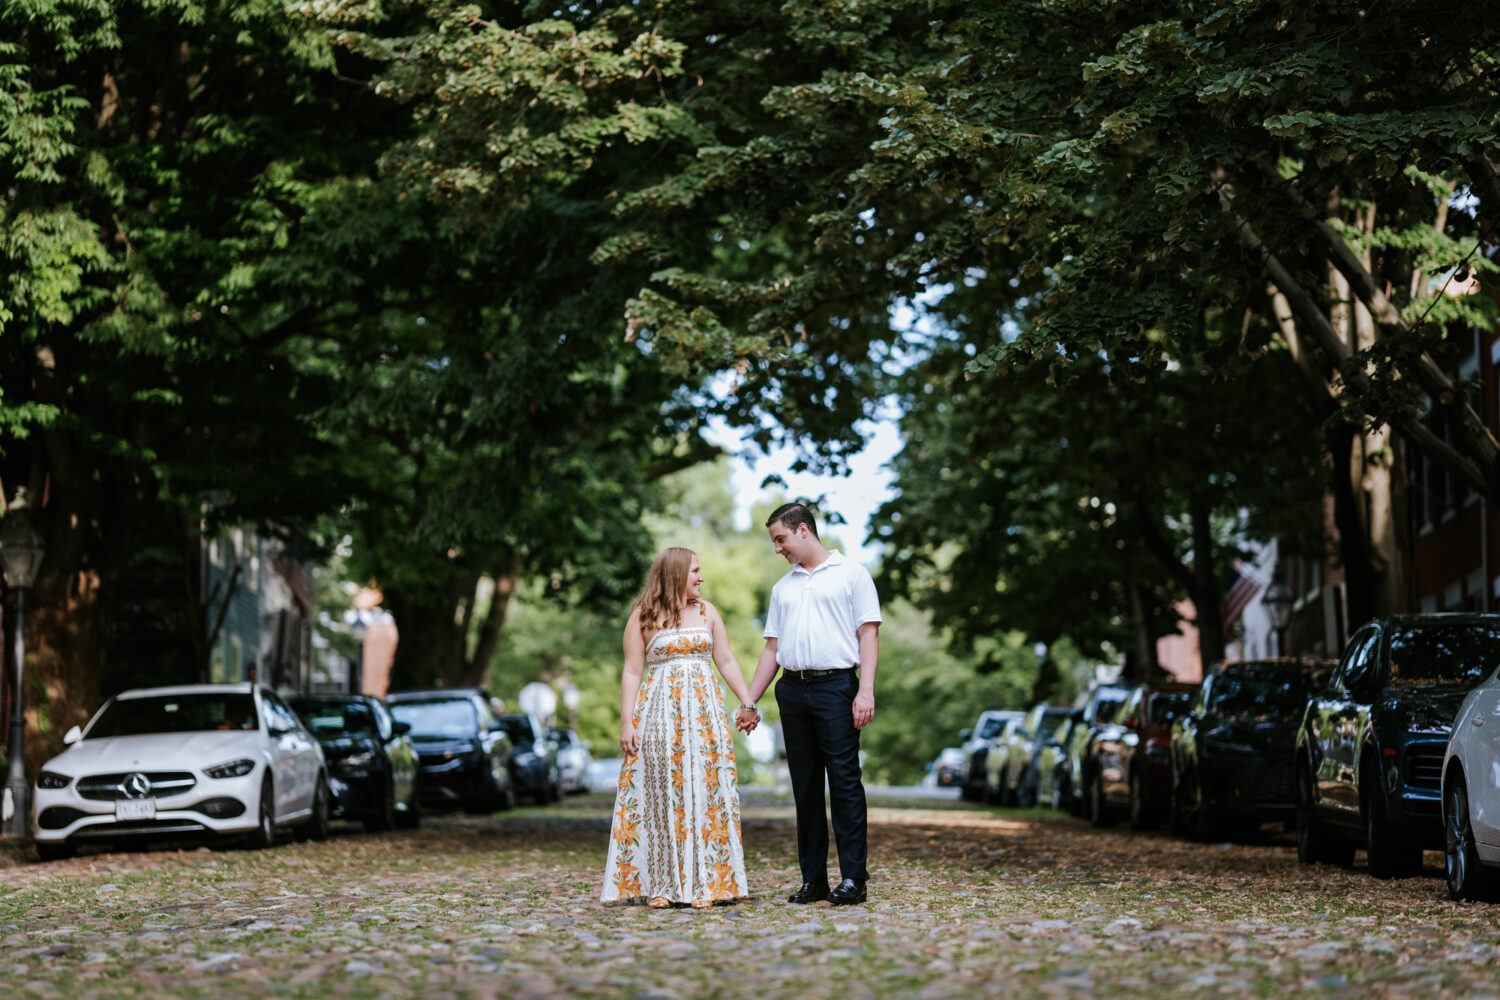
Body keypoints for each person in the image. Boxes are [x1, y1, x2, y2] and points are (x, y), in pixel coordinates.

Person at [736, 502, 881, 906]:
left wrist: (864, 691)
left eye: (780, 539)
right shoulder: (783, 588)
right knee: (805, 790)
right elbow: (772, 650)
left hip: (837, 687)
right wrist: (750, 700)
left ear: (803, 530)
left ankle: (854, 878)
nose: (777, 548)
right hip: (792, 691)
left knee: (845, 784)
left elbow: (868, 636)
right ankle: (813, 880)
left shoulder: (852, 574)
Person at [602, 547, 759, 908]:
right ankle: (661, 885)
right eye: (695, 572)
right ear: (674, 575)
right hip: (659, 719)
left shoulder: (708, 612)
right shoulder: (642, 617)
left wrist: (747, 702)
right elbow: (631, 672)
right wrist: (627, 722)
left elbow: (726, 659)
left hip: (705, 720)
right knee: (661, 797)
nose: (701, 578)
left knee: (705, 793)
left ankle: (708, 884)